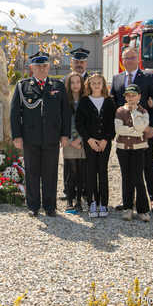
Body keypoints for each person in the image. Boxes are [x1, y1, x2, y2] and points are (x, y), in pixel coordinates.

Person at [10, 51, 70, 217]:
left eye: (44, 66)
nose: (42, 69)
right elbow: (15, 113)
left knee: (50, 173)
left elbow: (65, 112)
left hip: (52, 137)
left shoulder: (57, 86)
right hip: (30, 138)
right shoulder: (23, 86)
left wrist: (65, 134)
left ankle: (50, 207)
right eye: (38, 66)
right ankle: (33, 206)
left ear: (48, 67)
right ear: (32, 68)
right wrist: (17, 136)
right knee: (32, 172)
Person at [110, 47, 153, 213]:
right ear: (122, 60)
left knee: (147, 164)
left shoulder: (147, 76)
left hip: (144, 129)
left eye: (132, 57)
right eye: (126, 58)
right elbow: (113, 103)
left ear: (137, 59)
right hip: (124, 132)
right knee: (126, 167)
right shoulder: (117, 78)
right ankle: (128, 200)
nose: (129, 61)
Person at [76, 73, 116, 218]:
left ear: (103, 84)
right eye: (93, 83)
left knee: (103, 171)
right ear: (89, 85)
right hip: (90, 142)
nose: (97, 85)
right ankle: (92, 201)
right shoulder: (84, 101)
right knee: (91, 171)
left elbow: (112, 123)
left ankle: (103, 203)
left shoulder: (109, 101)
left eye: (99, 83)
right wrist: (89, 140)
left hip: (105, 143)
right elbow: (79, 123)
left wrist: (106, 139)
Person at [114, 84, 150, 222]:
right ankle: (127, 207)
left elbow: (141, 127)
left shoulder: (143, 112)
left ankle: (143, 209)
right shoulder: (119, 111)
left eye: (134, 95)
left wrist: (134, 113)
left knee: (138, 178)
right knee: (126, 178)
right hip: (123, 148)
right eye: (128, 95)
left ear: (139, 96)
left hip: (138, 148)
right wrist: (134, 131)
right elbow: (119, 129)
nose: (131, 98)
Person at [62, 47, 90, 202]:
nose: (79, 64)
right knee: (69, 163)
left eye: (82, 61)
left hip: (86, 134)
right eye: (76, 61)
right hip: (69, 134)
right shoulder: (64, 82)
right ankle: (69, 191)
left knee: (86, 164)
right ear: (72, 63)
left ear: (86, 63)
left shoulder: (93, 81)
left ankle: (86, 191)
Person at [62, 72, 86, 211]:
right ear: (69, 85)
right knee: (71, 171)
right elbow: (62, 121)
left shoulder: (86, 100)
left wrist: (80, 139)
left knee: (81, 172)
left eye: (78, 82)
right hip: (69, 140)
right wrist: (70, 140)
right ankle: (69, 200)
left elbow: (88, 123)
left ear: (82, 84)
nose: (75, 85)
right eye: (72, 82)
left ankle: (79, 200)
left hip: (82, 140)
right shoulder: (65, 101)